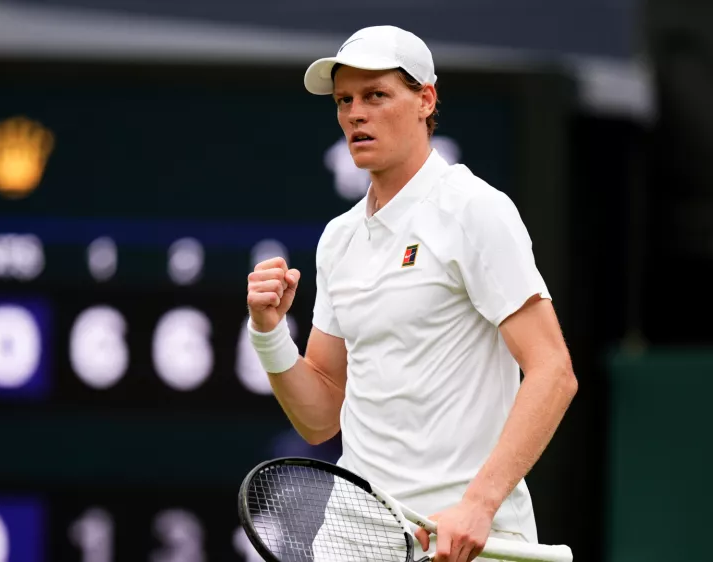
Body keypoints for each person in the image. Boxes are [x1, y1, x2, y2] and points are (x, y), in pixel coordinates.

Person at [246, 25, 577, 562]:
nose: (356, 114)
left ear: (425, 100)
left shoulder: (474, 210)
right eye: (344, 100)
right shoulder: (339, 238)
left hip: (467, 534)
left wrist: (478, 505)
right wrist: (269, 333)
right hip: (353, 534)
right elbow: (320, 416)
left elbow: (553, 371)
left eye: (376, 95)